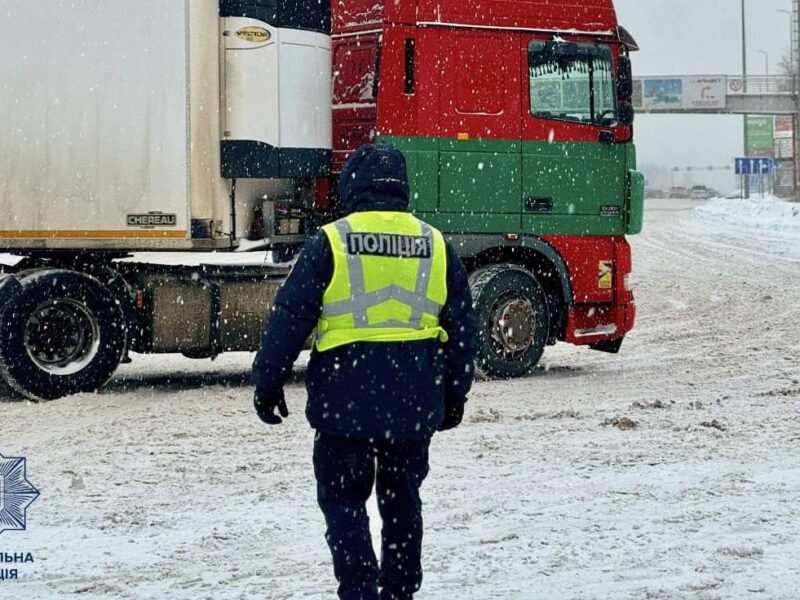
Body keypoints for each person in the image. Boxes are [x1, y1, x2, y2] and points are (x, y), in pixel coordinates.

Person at [252, 143, 478, 600]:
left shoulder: (331, 241)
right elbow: (462, 329)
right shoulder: (435, 244)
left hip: (345, 403)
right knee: (402, 501)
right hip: (412, 402)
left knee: (343, 502)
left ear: (351, 185)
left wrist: (268, 381)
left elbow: (290, 316)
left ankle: (358, 590)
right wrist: (454, 394)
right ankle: (399, 591)